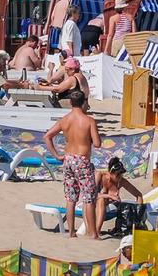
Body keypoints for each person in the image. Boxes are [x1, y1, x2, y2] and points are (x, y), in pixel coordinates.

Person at [44, 89, 101, 239]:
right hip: (82, 160)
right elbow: (97, 143)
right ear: (84, 103)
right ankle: (93, 233)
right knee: (88, 197)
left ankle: (71, 232)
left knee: (71, 198)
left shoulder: (65, 120)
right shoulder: (89, 120)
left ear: (70, 103)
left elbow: (47, 136)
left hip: (68, 158)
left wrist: (57, 155)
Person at [95, 156, 144, 234]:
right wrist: (109, 196)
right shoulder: (100, 176)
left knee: (103, 200)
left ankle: (98, 231)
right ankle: (96, 232)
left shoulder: (121, 181)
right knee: (101, 200)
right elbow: (91, 194)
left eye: (121, 174)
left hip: (110, 207)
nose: (120, 177)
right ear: (110, 172)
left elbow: (139, 195)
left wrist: (138, 216)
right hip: (95, 204)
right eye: (117, 175)